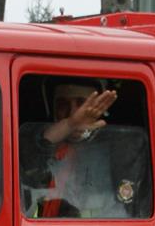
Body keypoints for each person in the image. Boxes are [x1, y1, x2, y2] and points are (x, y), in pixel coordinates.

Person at [21, 81, 147, 218]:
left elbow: (131, 211)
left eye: (82, 104)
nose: (73, 113)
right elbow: (24, 172)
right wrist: (68, 126)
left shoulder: (121, 150)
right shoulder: (43, 147)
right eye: (63, 104)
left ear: (101, 108)